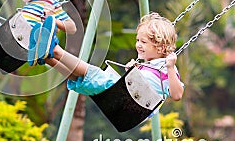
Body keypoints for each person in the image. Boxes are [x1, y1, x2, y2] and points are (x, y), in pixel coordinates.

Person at [43, 12, 184, 100]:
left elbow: (177, 95)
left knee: (95, 73)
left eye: (144, 42)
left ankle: (56, 50)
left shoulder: (165, 67)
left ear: (160, 47)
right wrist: (132, 72)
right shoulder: (145, 66)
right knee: (80, 77)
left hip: (135, 103)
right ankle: (47, 58)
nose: (138, 45)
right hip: (126, 97)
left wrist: (171, 67)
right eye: (137, 40)